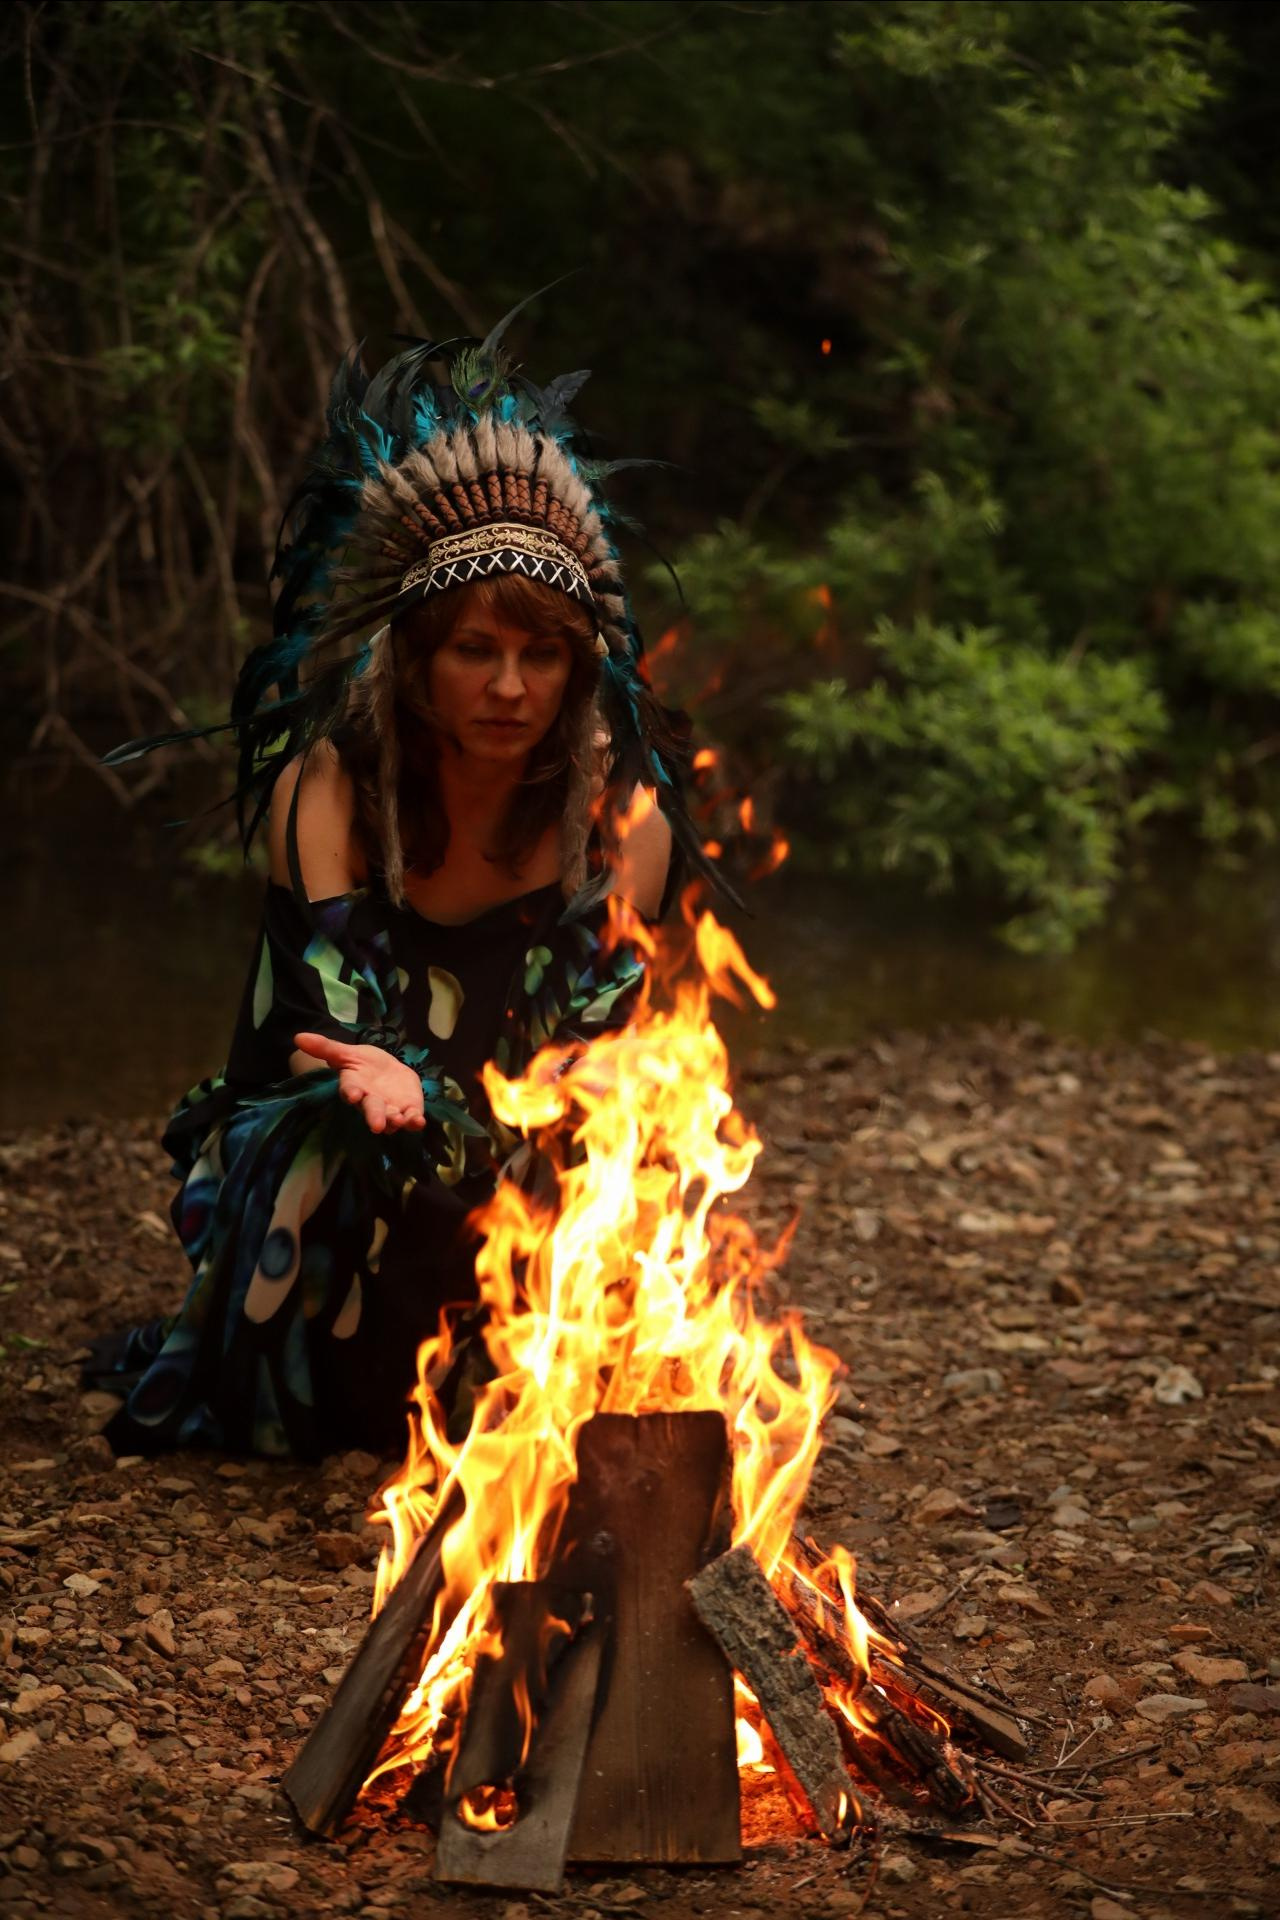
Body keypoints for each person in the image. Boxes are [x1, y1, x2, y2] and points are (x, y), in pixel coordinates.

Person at [89, 326, 717, 1460]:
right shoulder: (324, 792)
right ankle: (321, 1401)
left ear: (580, 668)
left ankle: (527, 1397)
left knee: (605, 1145)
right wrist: (376, 1067)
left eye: (543, 658)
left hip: (504, 1138)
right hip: (346, 1131)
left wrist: (568, 1086)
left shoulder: (624, 820)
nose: (510, 687)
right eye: (475, 651)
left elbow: (592, 1040)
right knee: (328, 1137)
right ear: (416, 655)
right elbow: (317, 1033)